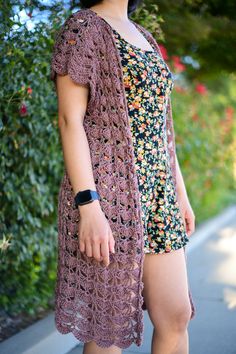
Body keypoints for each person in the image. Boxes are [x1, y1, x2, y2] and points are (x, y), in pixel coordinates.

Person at [51, 0, 196, 353]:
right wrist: (88, 206)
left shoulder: (142, 34)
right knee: (108, 331)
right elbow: (71, 122)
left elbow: (161, 126)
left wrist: (181, 193)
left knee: (176, 316)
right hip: (110, 198)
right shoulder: (83, 28)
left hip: (158, 197)